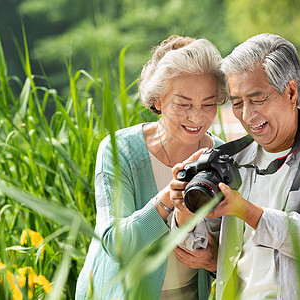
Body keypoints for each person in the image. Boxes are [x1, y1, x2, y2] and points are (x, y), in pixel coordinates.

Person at [171, 33, 300, 299]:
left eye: (258, 99)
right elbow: (202, 248)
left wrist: (244, 210)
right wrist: (185, 208)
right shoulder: (234, 159)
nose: (247, 115)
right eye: (237, 103)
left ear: (291, 92)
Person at [75, 35, 229, 300]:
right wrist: (169, 196)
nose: (196, 117)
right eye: (183, 104)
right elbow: (115, 243)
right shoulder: (119, 149)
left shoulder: (221, 156)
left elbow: (236, 249)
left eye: (208, 104)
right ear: (158, 101)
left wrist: (214, 261)